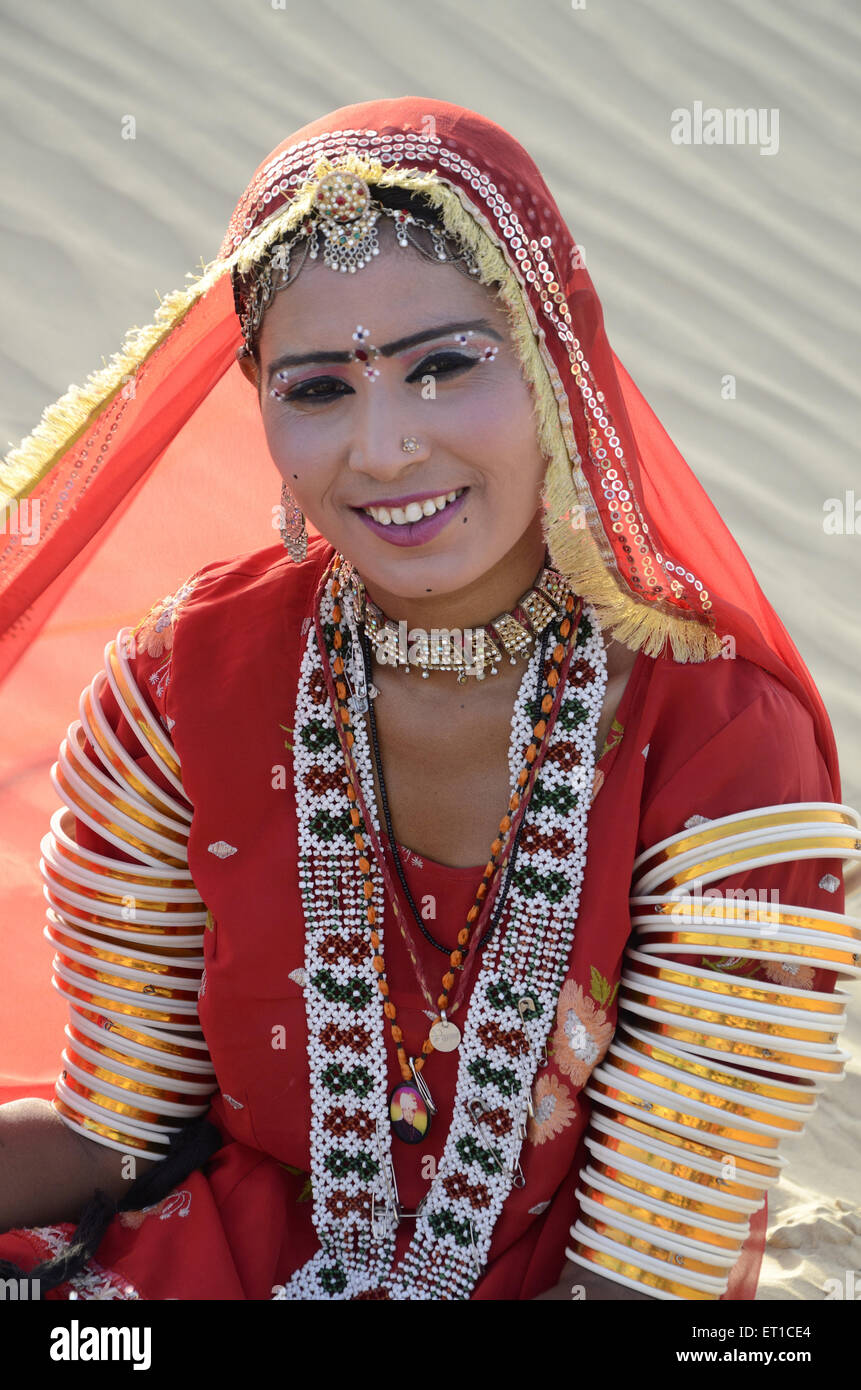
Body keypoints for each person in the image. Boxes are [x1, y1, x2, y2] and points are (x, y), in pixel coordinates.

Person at [0, 96, 857, 1302]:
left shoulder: (720, 747)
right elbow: (119, 1139)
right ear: (261, 405)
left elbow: (642, 1276)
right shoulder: (183, 687)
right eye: (317, 390)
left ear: (558, 363)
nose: (386, 447)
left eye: (444, 367)